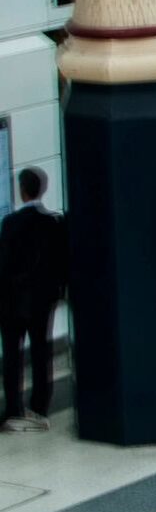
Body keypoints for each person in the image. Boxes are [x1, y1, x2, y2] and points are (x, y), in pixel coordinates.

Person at [0, 170, 65, 435]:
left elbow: (3, 266)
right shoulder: (53, 223)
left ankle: (13, 408)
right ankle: (39, 405)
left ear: (22, 190)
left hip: (13, 302)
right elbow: (59, 263)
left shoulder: (10, 223)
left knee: (13, 356)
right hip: (41, 301)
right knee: (41, 351)